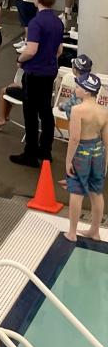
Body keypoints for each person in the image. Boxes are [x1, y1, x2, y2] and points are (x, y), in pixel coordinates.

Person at [10, 0, 64, 167]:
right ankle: (45, 151)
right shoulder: (58, 22)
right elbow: (59, 50)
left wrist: (20, 59)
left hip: (34, 73)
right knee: (46, 112)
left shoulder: (36, 22)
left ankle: (30, 153)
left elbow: (31, 50)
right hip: (49, 72)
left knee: (31, 114)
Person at [64, 73, 107, 242]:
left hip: (82, 152)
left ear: (87, 92)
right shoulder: (104, 111)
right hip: (98, 152)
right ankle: (95, 231)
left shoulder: (77, 110)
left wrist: (68, 161)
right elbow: (107, 141)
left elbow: (74, 139)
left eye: (78, 87)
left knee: (76, 191)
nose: (75, 89)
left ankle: (72, 232)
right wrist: (106, 162)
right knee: (97, 192)